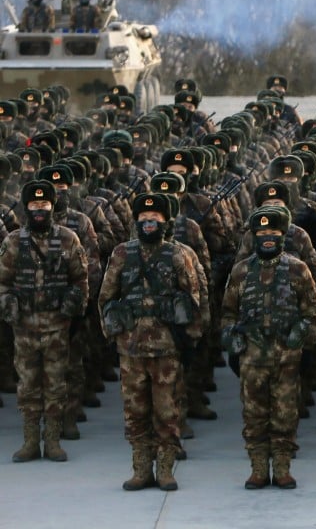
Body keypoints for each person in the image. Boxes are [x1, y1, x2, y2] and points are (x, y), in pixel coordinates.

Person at [98, 192, 202, 491]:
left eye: (154, 218)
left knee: (167, 411)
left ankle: (166, 468)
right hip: (130, 349)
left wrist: (189, 342)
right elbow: (106, 297)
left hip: (166, 348)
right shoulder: (121, 253)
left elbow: (193, 297)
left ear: (165, 221)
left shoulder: (177, 255)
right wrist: (112, 333)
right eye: (143, 218)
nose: (148, 223)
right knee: (135, 411)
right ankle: (141, 468)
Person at [221, 206, 316, 490]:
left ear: (282, 236)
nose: (267, 238)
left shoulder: (298, 269)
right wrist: (231, 338)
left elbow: (311, 311)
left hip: (286, 359)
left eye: (273, 233)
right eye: (262, 233)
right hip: (251, 359)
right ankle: (258, 469)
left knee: (285, 415)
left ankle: (282, 468)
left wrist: (302, 338)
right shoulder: (241, 272)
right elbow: (228, 312)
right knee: (254, 416)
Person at [0, 180, 88, 463]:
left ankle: (52, 441)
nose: (39, 210)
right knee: (27, 384)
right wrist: (9, 305)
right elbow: (2, 281)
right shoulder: (13, 241)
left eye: (44, 205)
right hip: (24, 327)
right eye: (34, 206)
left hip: (56, 326)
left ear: (53, 206)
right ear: (26, 208)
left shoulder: (68, 239)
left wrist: (74, 306)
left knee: (55, 383)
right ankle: (29, 441)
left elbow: (80, 279)